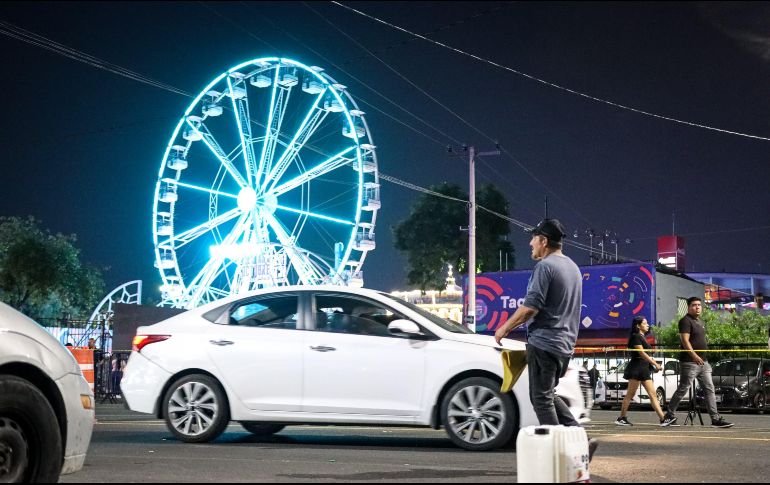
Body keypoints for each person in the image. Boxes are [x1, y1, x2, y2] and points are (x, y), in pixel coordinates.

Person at [495, 218, 597, 460]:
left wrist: (504, 328)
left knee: (540, 399)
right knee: (547, 395)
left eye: (533, 239)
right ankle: (580, 441)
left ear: (544, 241)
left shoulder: (545, 267)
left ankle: (559, 454)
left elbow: (531, 307)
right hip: (564, 345)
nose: (530, 244)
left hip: (545, 342)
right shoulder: (572, 268)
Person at [660, 297, 733, 428]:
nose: (697, 307)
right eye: (694, 305)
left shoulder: (700, 321)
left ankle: (715, 419)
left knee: (709, 389)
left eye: (699, 305)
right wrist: (694, 356)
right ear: (688, 307)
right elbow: (685, 341)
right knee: (683, 388)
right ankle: (669, 416)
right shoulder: (685, 321)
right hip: (690, 362)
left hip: (703, 362)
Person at [615, 316, 666, 426]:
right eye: (645, 323)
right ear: (638, 326)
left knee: (653, 394)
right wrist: (655, 364)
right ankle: (621, 418)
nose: (648, 325)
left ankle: (663, 419)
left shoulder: (642, 337)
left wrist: (653, 365)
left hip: (644, 369)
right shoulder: (636, 336)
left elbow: (645, 354)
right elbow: (641, 353)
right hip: (636, 368)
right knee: (630, 394)